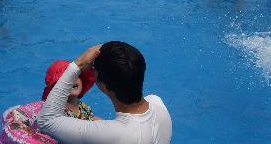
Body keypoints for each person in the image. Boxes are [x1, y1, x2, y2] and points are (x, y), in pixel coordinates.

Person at [35, 42, 172, 144]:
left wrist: (78, 64)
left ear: (105, 87)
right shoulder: (158, 104)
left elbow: (46, 121)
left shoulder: (110, 134)